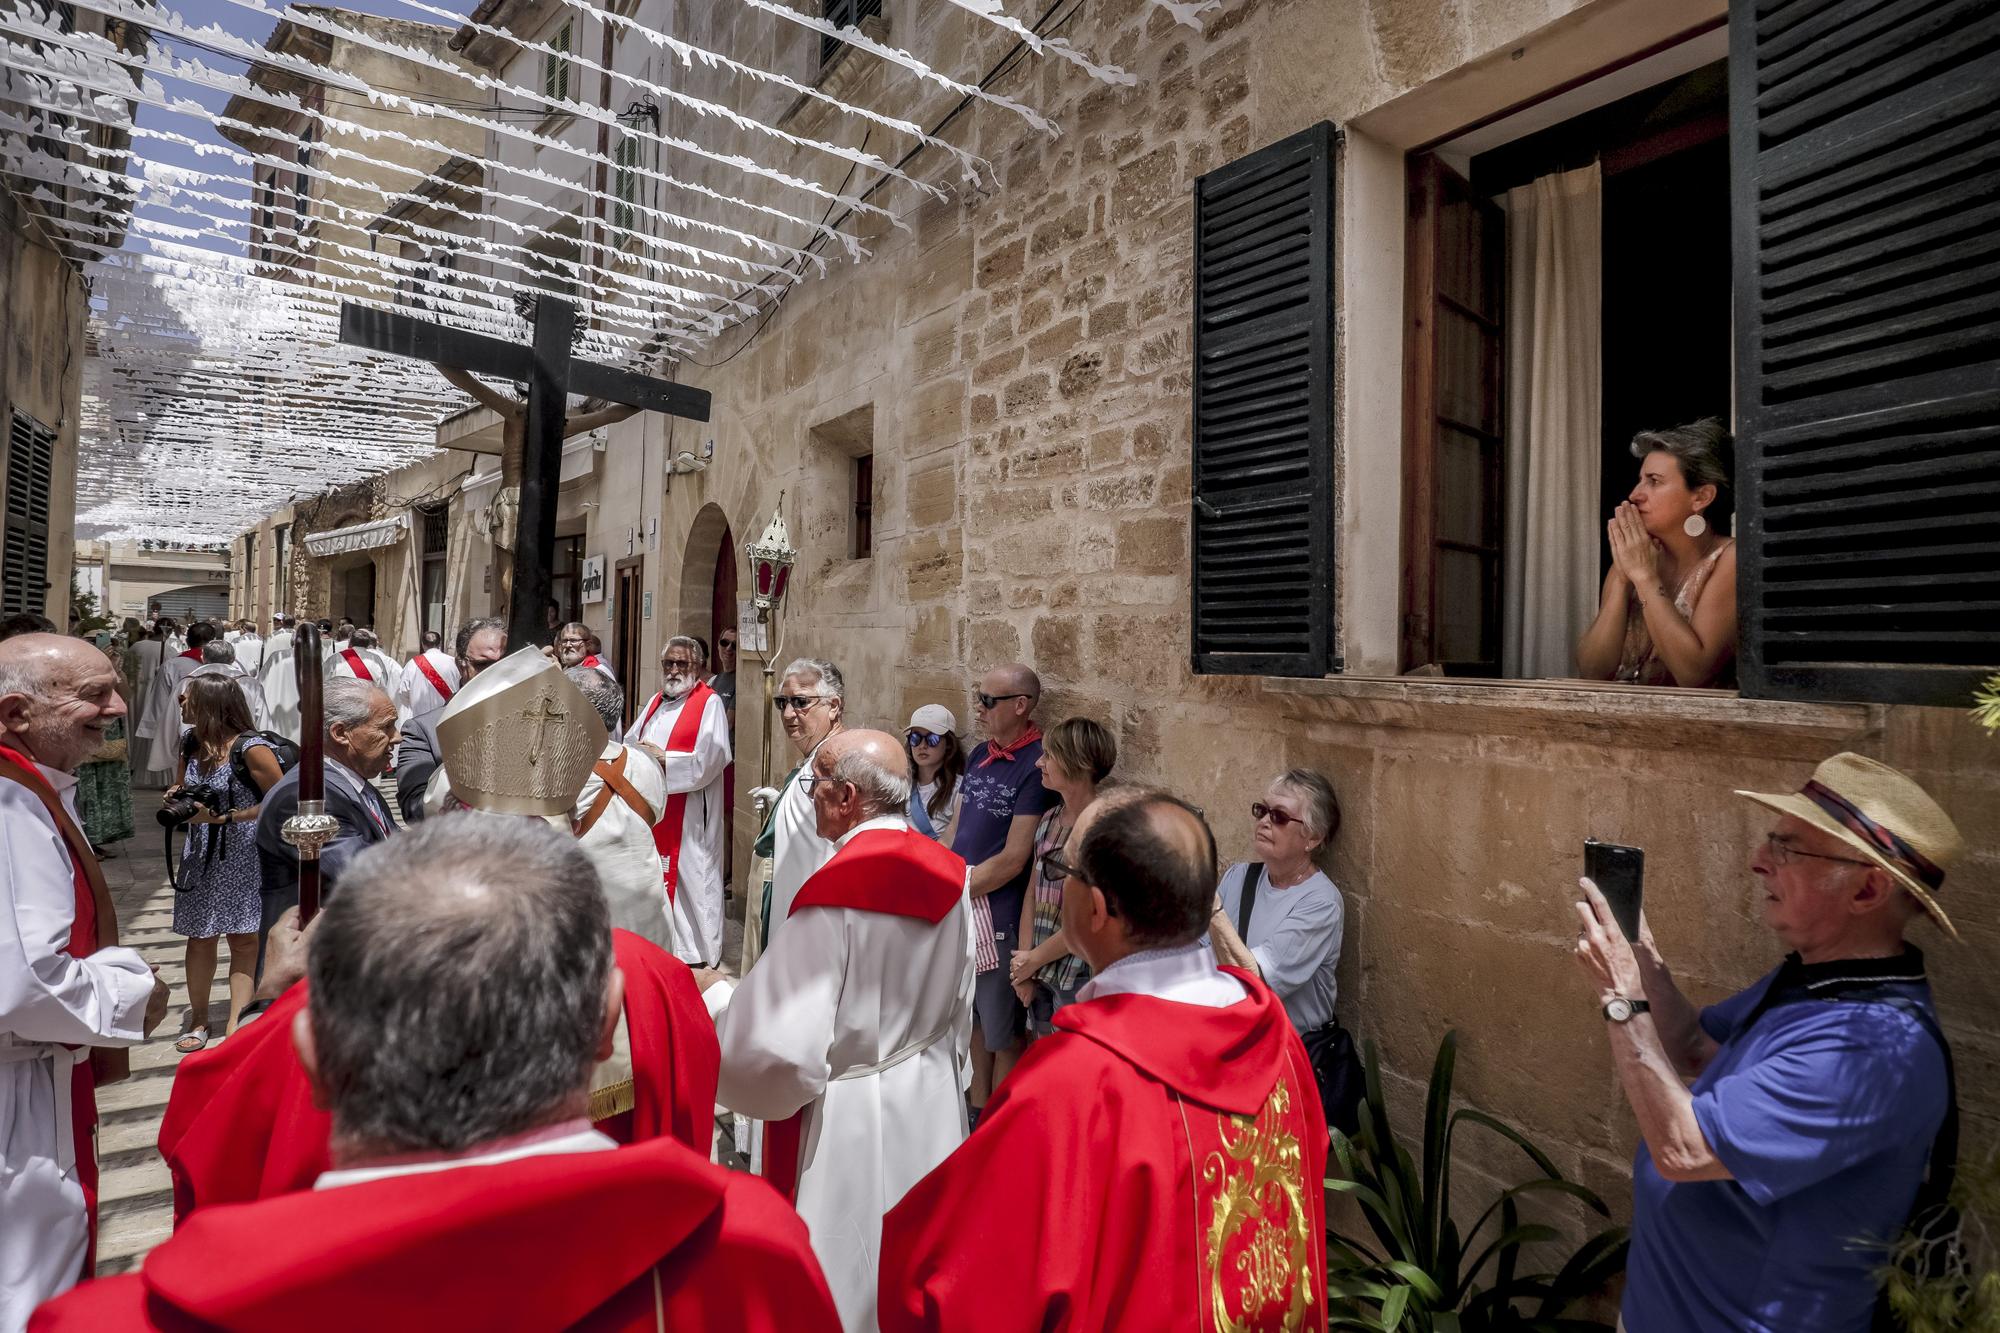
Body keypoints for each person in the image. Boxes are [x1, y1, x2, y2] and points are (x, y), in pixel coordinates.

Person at [38, 818, 840, 1331]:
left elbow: (204, 1124)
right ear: (605, 1026)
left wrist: (258, 1011)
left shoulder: (105, 1321)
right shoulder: (749, 1257)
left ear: (311, 1054)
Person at [880, 789, 1328, 1331]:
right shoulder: (1276, 1042)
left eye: (1062, 866)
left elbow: (961, 1293)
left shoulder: (1068, 1087)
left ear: (1094, 907)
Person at [1573, 753, 1963, 1333]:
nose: (1758, 862)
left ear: (1867, 890)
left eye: (1787, 849)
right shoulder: (1816, 979)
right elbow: (1693, 1045)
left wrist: (1621, 1001)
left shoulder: (1873, 1051)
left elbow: (1682, 1151)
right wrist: (1638, 955)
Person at [711, 730, 972, 1331]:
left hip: (851, 1117)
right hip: (931, 1099)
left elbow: (778, 1049)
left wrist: (721, 1002)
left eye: (816, 784)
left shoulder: (832, 896)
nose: (811, 796)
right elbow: (961, 1001)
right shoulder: (953, 873)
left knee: (850, 1280)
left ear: (848, 797)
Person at [0, 634, 170, 1327]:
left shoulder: (30, 785)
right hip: (19, 1096)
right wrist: (136, 988)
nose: (119, 707)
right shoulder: (10, 803)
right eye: (94, 694)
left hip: (34, 1078)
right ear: (15, 712)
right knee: (26, 1280)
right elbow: (26, 984)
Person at [1205, 768, 1355, 1131]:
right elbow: (1201, 953)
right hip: (1232, 1055)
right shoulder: (1241, 877)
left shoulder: (1321, 902)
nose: (1264, 822)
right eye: (1262, 810)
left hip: (1286, 1066)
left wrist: (1209, 904)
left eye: (1280, 816)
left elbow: (1259, 982)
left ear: (1313, 837)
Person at [952, 663, 1054, 1120]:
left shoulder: (1034, 768)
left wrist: (954, 886)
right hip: (966, 901)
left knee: (1003, 1027)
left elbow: (1015, 859)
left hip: (999, 914)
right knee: (975, 1017)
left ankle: (997, 1127)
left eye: (989, 701)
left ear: (1020, 705)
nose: (979, 708)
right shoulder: (980, 754)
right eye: (979, 697)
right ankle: (977, 1110)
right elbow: (957, 828)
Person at [165, 676, 284, 1054]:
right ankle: (200, 1017)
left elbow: (280, 801)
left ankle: (237, 1022)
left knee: (243, 940)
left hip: (243, 852)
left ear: (211, 703)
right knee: (199, 938)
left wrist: (227, 818)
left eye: (189, 696)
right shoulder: (189, 740)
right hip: (200, 853)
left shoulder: (251, 748)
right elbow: (184, 784)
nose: (181, 700)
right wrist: (178, 795)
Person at [1575, 418, 1737, 688]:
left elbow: (1694, 675)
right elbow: (1592, 672)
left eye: (1654, 481)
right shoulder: (1636, 554)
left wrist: (1645, 578)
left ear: (1702, 497)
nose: (1635, 494)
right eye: (1640, 481)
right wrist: (1622, 578)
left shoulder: (1730, 559)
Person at [253, 677, 400, 942]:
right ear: (341, 733)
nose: (397, 737)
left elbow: (397, 844)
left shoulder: (356, 786)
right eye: (386, 727)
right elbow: (366, 876)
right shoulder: (304, 800)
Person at [1007, 718, 1115, 1037]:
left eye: (1049, 755)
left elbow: (1091, 915)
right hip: (1041, 970)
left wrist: (1032, 959)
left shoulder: (1103, 828)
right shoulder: (1050, 818)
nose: (1040, 762)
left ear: (1076, 762)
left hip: (1079, 974)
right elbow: (1032, 891)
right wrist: (1025, 965)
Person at [631, 635, 731, 968]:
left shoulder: (710, 702)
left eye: (682, 664)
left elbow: (712, 757)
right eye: (668, 663)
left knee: (692, 878)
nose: (674, 670)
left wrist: (666, 761)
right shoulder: (656, 701)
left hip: (690, 813)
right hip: (656, 809)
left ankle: (698, 951)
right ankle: (665, 942)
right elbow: (631, 742)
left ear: (699, 667)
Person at [566, 667, 673, 953]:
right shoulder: (644, 762)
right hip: (649, 918)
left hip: (589, 921)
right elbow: (658, 812)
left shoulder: (557, 770)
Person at [753, 657, 848, 942]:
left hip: (814, 925)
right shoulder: (816, 757)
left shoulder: (836, 762)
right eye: (782, 702)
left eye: (801, 702)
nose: (788, 713)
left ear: (833, 707)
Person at [395, 617, 505, 823]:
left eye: (506, 664)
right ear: (461, 664)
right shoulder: (421, 731)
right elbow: (415, 809)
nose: (496, 674)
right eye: (484, 665)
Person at [135, 618, 219, 780]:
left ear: (187, 641)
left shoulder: (173, 665)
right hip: (218, 725)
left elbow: (160, 701)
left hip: (183, 725)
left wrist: (154, 729)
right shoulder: (232, 666)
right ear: (214, 641)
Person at [73, 641, 135, 856]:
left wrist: (115, 671)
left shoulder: (114, 673)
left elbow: (125, 696)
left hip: (110, 737)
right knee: (86, 789)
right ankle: (85, 841)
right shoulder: (78, 672)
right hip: (88, 734)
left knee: (107, 787)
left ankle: (98, 838)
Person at [904, 704, 964, 845]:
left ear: (948, 744)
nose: (922, 745)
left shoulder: (959, 789)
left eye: (932, 739)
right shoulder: (901, 783)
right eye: (915, 738)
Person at [189, 639, 270, 730]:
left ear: (202, 657)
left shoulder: (187, 682)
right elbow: (262, 721)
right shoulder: (251, 684)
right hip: (242, 740)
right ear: (233, 659)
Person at [397, 625, 460, 728]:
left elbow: (403, 692)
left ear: (423, 645)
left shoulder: (412, 664)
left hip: (420, 720)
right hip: (447, 718)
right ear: (439, 644)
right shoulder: (453, 662)